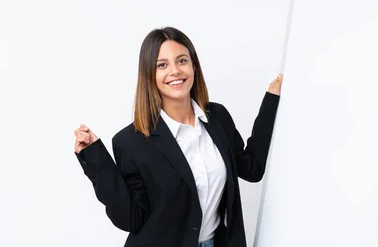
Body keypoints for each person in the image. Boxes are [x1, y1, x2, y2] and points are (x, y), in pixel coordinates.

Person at [74, 27, 282, 247]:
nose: (175, 71)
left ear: (193, 66)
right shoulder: (131, 141)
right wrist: (95, 159)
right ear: (149, 74)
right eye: (162, 65)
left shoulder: (218, 118)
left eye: (182, 60)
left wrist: (271, 101)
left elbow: (252, 168)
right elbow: (129, 218)